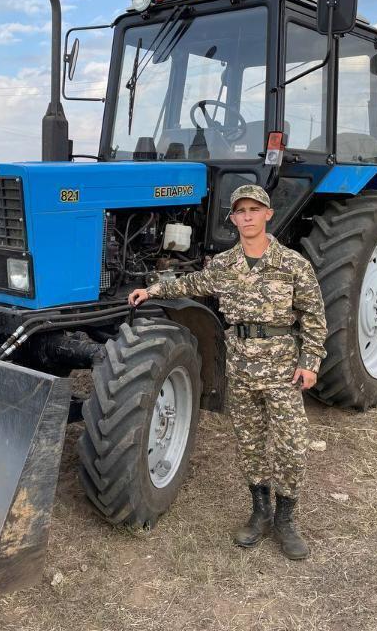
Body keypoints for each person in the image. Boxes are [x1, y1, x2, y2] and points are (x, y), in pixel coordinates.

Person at [128, 184, 326, 559]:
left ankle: (285, 520)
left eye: (255, 209)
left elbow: (314, 318)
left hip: (282, 366)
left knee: (292, 444)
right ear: (233, 218)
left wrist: (310, 363)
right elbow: (189, 284)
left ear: (268, 214)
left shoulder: (293, 265)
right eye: (241, 211)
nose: (248, 216)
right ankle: (260, 513)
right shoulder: (223, 265)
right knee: (250, 444)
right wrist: (150, 290)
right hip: (240, 365)